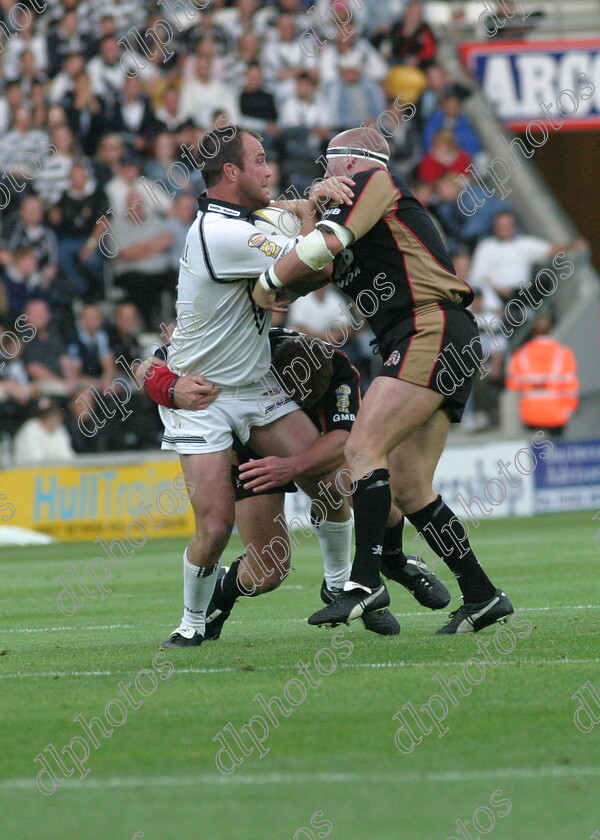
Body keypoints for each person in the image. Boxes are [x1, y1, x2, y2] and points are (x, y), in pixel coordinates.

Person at [251, 126, 513, 635]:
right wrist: (307, 210)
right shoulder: (352, 208)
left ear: (352, 161)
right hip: (425, 334)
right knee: (411, 489)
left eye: (330, 162)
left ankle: (364, 581)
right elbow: (310, 271)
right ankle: (482, 595)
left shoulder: (374, 179)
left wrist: (268, 281)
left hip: (427, 326)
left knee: (361, 452)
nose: (324, 172)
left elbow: (319, 249)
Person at [154, 125, 359, 649]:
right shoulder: (222, 234)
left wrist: (312, 198)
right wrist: (326, 208)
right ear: (231, 172)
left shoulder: (244, 219)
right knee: (216, 527)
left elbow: (287, 215)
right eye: (260, 160)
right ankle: (191, 623)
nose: (269, 170)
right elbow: (317, 259)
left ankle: (339, 586)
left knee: (331, 481)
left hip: (253, 384)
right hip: (201, 396)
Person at [144, 328, 450, 639]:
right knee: (268, 571)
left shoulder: (339, 370)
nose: (300, 407)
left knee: (363, 487)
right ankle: (223, 589)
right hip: (246, 445)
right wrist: (164, 379)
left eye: (308, 401)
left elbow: (344, 438)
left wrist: (290, 466)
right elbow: (151, 364)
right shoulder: (243, 349)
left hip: (306, 445)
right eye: (294, 399)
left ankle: (353, 578)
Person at [506, 314, 579, 436]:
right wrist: (569, 410)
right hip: (557, 414)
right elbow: (571, 386)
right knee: (557, 452)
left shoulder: (522, 354)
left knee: (534, 452)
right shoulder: (563, 353)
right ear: (552, 329)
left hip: (530, 414)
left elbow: (513, 385)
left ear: (533, 331)